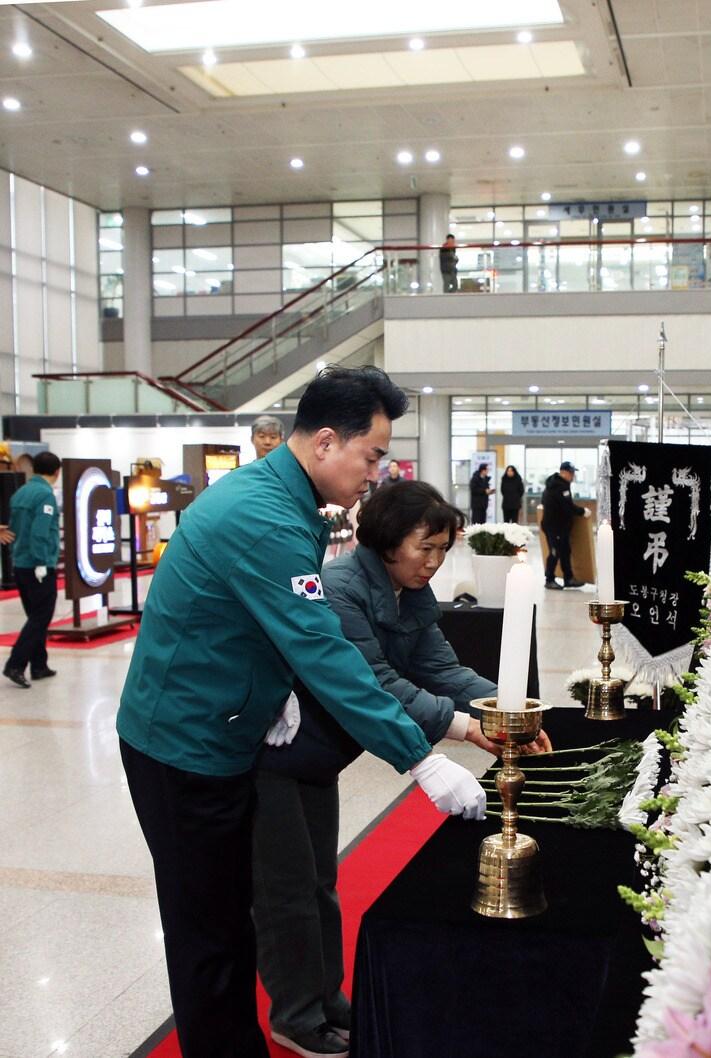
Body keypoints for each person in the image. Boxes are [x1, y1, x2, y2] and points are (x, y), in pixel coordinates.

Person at [116, 366, 488, 1058]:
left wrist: (276, 682)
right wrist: (420, 758)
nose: (376, 472)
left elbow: (275, 620)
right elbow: (327, 650)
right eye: (372, 455)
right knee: (210, 932)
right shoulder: (264, 517)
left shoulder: (290, 503)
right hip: (182, 741)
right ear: (325, 443)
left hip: (228, 727)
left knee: (232, 915)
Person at [251, 480, 548, 1058]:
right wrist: (467, 728)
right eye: (425, 548)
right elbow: (379, 684)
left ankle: (326, 999)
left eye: (443, 550)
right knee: (286, 892)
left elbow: (441, 667)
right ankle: (293, 1015)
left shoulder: (408, 591)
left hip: (318, 758)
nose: (434, 563)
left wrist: (509, 706)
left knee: (320, 884)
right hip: (279, 756)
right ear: (387, 539)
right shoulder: (339, 589)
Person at [3, 451, 62, 688]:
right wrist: (41, 562)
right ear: (56, 472)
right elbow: (40, 532)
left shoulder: (20, 493)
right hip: (39, 565)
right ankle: (15, 664)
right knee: (41, 616)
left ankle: (39, 664)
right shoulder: (45, 496)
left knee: (34, 615)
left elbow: (14, 529)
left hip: (20, 564)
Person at [542, 460, 587, 590]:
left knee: (565, 551)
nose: (573, 476)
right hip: (554, 527)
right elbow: (567, 507)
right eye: (571, 473)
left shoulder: (558, 484)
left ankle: (569, 578)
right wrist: (582, 511)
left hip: (561, 527)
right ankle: (549, 579)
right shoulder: (559, 486)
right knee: (555, 552)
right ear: (564, 472)